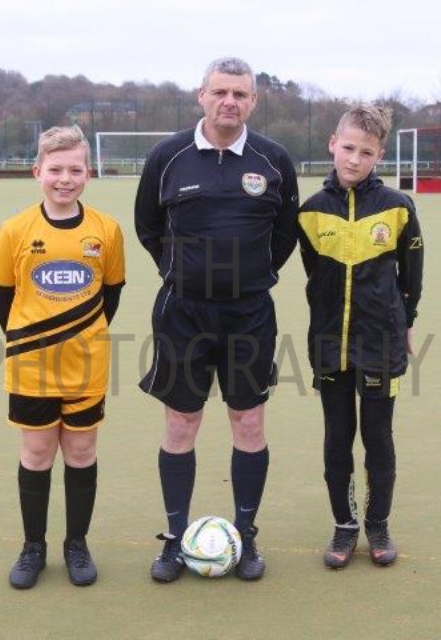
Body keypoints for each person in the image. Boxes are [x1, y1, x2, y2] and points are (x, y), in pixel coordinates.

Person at [135, 57, 299, 582]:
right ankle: (174, 539)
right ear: (201, 95)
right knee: (181, 423)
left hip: (249, 314)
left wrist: (249, 276)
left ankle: (246, 537)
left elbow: (285, 235)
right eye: (220, 92)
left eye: (240, 94)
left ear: (253, 101)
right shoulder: (168, 156)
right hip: (182, 312)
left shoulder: (274, 160)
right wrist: (181, 271)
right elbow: (148, 225)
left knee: (248, 423)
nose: (230, 101)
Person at [0, 125, 125, 589]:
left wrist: (80, 335)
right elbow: (3, 298)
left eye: (74, 170)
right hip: (31, 366)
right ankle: (34, 546)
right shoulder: (15, 230)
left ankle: (76, 544)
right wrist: (33, 340)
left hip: (87, 365)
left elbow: (112, 293)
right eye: (55, 170)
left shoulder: (106, 230)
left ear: (88, 173)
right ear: (37, 172)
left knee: (82, 452)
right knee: (36, 453)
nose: (64, 179)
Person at [297, 105, 424, 569]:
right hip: (330, 343)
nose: (354, 159)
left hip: (381, 343)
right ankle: (344, 525)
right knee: (337, 437)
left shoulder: (398, 207)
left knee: (378, 437)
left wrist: (405, 319)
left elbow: (411, 274)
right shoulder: (311, 211)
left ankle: (378, 525)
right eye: (348, 148)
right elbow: (315, 274)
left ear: (379, 155)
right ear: (333, 143)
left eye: (366, 152)